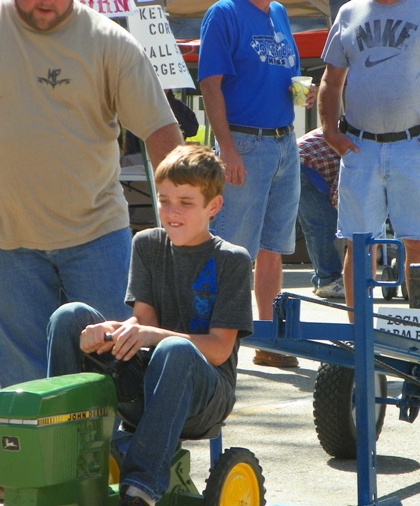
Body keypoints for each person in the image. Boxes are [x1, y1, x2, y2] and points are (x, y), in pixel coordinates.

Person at [0, 0, 183, 388]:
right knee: (26, 381)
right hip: (0, 238)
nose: (46, 2)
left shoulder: (110, 43)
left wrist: (182, 209)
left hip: (97, 236)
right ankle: (40, 431)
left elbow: (160, 128)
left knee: (119, 369)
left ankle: (112, 431)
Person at [46, 144, 253, 506]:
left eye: (186, 203)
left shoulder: (231, 259)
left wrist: (150, 335)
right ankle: (64, 464)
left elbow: (218, 350)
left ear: (213, 207)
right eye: (165, 200)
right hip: (151, 380)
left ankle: (139, 499)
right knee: (70, 316)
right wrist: (110, 331)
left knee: (175, 350)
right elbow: (143, 322)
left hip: (206, 395)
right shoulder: (147, 244)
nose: (172, 211)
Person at [318, 0, 420, 309]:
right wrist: (330, 132)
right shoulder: (349, 12)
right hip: (360, 147)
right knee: (359, 246)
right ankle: (359, 335)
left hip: (415, 145)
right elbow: (331, 81)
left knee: (419, 243)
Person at [198, 0, 314, 368]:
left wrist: (302, 94)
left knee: (273, 247)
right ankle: (215, 340)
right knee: (233, 250)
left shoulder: (278, 12)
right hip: (243, 142)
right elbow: (210, 85)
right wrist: (227, 149)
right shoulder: (224, 13)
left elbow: (286, 78)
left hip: (284, 140)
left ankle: (268, 341)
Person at [297, 128, 344, 299]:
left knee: (316, 226)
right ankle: (328, 281)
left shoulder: (356, 127)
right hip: (304, 167)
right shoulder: (363, 142)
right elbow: (338, 193)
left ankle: (322, 279)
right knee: (324, 224)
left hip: (302, 163)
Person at [122, 89, 199, 167]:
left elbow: (192, 130)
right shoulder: (141, 105)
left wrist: (171, 107)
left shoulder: (177, 105)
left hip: (173, 155)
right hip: (141, 159)